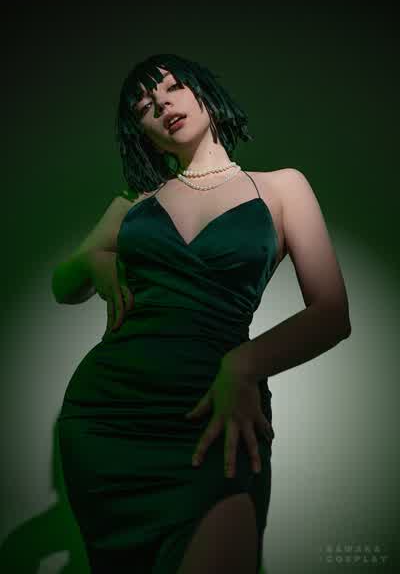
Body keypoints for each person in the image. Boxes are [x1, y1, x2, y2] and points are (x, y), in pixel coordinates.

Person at [54, 53, 351, 574]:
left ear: (204, 93)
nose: (162, 105)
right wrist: (94, 261)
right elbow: (64, 285)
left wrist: (243, 364)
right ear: (142, 133)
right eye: (144, 106)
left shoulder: (282, 187)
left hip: (217, 410)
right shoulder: (134, 202)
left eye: (172, 88)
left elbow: (331, 314)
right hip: (111, 417)